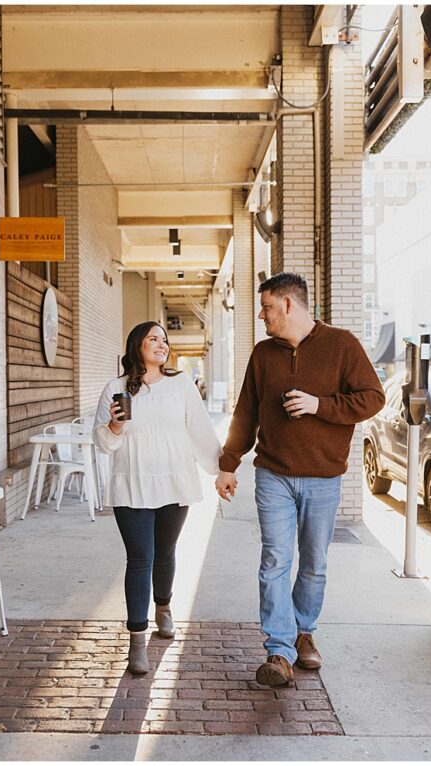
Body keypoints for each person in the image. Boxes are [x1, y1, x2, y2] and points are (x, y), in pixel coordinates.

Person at [215, 273, 385, 688]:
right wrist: (229, 462)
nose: (261, 314)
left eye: (267, 307)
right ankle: (279, 650)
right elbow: (246, 411)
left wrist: (319, 405)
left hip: (324, 477)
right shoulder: (262, 354)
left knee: (314, 563)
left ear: (289, 305)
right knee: (275, 560)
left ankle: (303, 631)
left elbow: (373, 397)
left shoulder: (342, 345)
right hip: (273, 473)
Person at [94, 321, 222, 674]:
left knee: (164, 552)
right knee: (140, 558)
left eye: (165, 340)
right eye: (153, 338)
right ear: (137, 345)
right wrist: (115, 426)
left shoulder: (181, 383)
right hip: (132, 483)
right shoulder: (116, 388)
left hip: (174, 480)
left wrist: (221, 469)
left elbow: (199, 429)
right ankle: (137, 639)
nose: (161, 344)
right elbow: (104, 443)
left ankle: (163, 608)